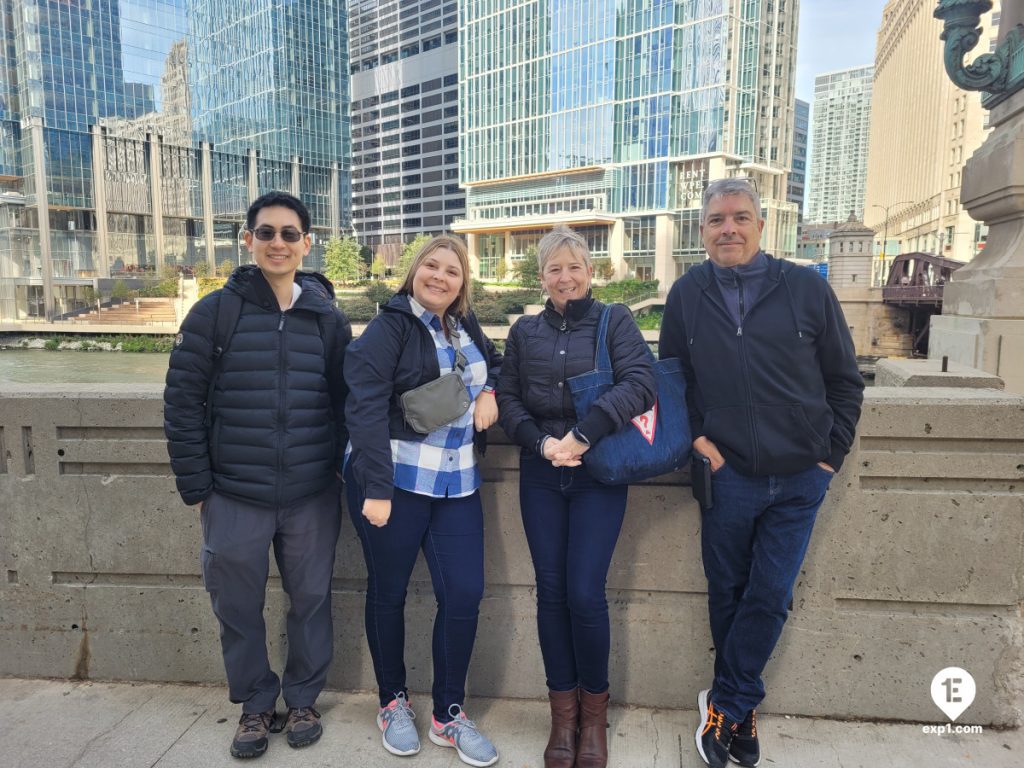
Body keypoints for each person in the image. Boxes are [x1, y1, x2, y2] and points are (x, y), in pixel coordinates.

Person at [659, 179, 864, 768]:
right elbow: (673, 379)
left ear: (761, 225)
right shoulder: (686, 293)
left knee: (770, 595)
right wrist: (697, 437)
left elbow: (845, 381)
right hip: (728, 474)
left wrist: (830, 457)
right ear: (702, 230)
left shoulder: (805, 287)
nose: (729, 229)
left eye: (740, 218)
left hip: (801, 475)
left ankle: (726, 700)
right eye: (717, 220)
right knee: (727, 592)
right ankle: (738, 712)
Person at [163, 191, 351, 759]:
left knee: (312, 600)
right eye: (266, 233)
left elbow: (349, 402)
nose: (278, 243)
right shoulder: (215, 312)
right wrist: (199, 488)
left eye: (289, 234)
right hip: (234, 493)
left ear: (306, 244)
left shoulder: (326, 318)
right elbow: (182, 403)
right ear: (247, 241)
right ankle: (253, 704)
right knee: (237, 607)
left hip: (311, 493)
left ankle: (302, 699)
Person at [496, 226, 656, 768]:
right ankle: (561, 717)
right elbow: (509, 398)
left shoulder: (617, 321)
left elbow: (641, 383)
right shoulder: (523, 333)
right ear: (541, 277)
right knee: (551, 592)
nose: (565, 277)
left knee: (586, 594)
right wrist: (542, 443)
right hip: (542, 472)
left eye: (574, 266)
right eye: (554, 269)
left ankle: (593, 717)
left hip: (597, 472)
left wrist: (583, 434)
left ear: (591, 271)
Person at [343, 234, 503, 767]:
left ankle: (448, 714)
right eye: (431, 266)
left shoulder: (463, 323)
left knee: (463, 594)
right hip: (397, 481)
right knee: (388, 592)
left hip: (457, 483)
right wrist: (376, 489)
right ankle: (392, 701)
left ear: (463, 283)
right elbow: (363, 409)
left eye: (452, 271)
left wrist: (488, 392)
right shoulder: (390, 327)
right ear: (413, 272)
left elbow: (494, 364)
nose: (440, 277)